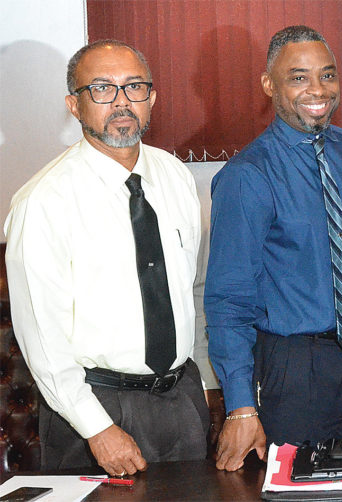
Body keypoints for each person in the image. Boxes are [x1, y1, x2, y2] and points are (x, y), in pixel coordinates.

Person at [205, 25, 342, 471]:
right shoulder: (247, 175)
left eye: (327, 75)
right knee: (295, 492)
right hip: (293, 371)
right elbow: (228, 302)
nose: (317, 90)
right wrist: (241, 405)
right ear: (270, 85)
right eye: (299, 77)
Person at [4, 40, 209, 475]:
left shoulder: (174, 176)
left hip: (181, 398)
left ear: (151, 99)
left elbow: (186, 290)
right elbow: (43, 339)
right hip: (95, 410)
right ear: (74, 106)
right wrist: (97, 428)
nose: (121, 102)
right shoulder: (43, 203)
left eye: (134, 87)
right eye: (101, 89)